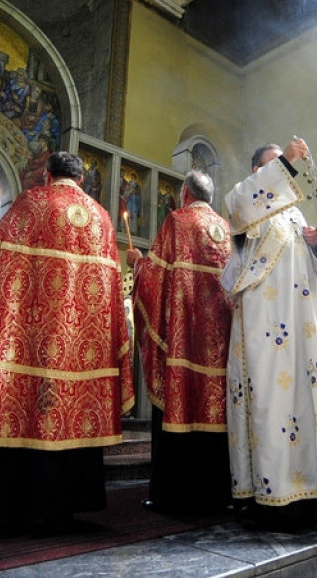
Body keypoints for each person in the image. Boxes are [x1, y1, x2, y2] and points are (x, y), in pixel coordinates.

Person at [0, 150, 134, 536]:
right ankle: (62, 510)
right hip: (82, 354)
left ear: (48, 176)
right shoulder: (101, 219)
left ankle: (10, 510)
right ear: (82, 180)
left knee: (21, 419)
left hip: (26, 347)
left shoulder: (31, 204)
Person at [222, 138, 317, 533]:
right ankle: (272, 502)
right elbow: (238, 208)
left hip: (303, 332)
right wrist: (287, 161)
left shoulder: (294, 216)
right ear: (259, 172)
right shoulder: (250, 204)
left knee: (312, 408)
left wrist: (315, 248)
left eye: (286, 166)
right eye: (275, 166)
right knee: (271, 404)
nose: (287, 173)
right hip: (265, 328)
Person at [126, 169, 234, 515]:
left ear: (185, 192)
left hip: (185, 346)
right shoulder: (227, 230)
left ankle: (173, 494)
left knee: (181, 408)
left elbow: (156, 280)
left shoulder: (178, 221)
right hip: (223, 348)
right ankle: (220, 492)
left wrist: (138, 264)